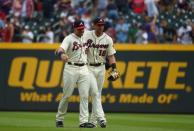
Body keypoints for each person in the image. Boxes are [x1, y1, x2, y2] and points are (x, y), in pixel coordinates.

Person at [55, 20, 95, 128]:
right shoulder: (69, 38)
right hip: (71, 68)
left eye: (83, 28)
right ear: (74, 28)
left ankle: (83, 122)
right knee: (67, 95)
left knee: (85, 96)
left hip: (84, 68)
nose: (82, 30)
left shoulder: (86, 36)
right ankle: (59, 118)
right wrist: (62, 54)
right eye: (80, 29)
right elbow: (59, 49)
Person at [83, 17, 119, 128]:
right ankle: (102, 118)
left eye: (102, 25)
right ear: (93, 25)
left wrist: (114, 69)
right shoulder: (86, 35)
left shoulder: (108, 39)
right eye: (98, 24)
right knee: (94, 93)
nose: (101, 27)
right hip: (88, 67)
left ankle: (93, 122)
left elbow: (111, 56)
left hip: (101, 68)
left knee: (97, 94)